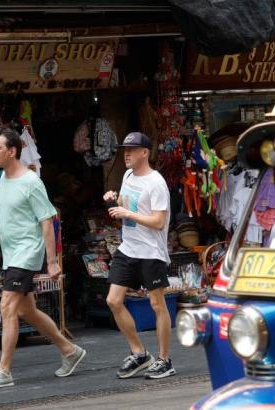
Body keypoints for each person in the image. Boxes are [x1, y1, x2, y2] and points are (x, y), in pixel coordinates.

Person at [0, 129, 86, 389]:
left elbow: (47, 222)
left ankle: (4, 371)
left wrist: (51, 261)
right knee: (27, 310)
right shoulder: (2, 179)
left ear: (12, 151)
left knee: (7, 307)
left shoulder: (31, 181)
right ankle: (70, 350)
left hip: (27, 253)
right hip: (11, 254)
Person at [104, 132, 176, 379]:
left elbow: (158, 221)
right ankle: (140, 353)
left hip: (151, 252)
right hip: (128, 248)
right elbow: (128, 204)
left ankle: (165, 359)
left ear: (144, 153)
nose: (127, 154)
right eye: (125, 150)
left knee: (157, 305)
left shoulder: (156, 182)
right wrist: (114, 200)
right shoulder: (127, 175)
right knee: (113, 300)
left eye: (132, 150)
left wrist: (128, 214)